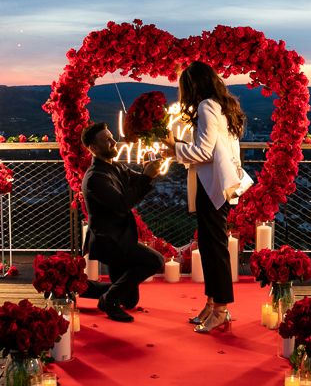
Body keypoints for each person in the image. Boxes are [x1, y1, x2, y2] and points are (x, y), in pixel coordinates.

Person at [163, 62, 246, 334]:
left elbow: (203, 152)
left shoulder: (206, 106)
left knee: (215, 249)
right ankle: (212, 303)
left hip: (214, 188)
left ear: (193, 85)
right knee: (210, 247)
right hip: (218, 185)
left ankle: (220, 309)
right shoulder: (222, 105)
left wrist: (172, 145)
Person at [81, 121, 165, 322]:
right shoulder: (95, 177)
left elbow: (137, 180)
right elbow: (122, 204)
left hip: (119, 237)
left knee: (129, 300)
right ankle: (108, 300)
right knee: (156, 261)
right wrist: (146, 178)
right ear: (93, 148)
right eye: (106, 140)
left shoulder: (114, 166)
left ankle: (81, 287)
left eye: (111, 137)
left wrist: (148, 170)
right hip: (109, 242)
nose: (113, 142)